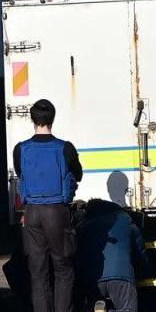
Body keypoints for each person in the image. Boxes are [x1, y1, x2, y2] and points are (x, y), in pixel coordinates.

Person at [14, 99, 83, 312]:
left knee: (38, 273)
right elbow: (78, 175)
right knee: (63, 270)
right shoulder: (65, 148)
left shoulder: (20, 149)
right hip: (57, 213)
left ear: (32, 119)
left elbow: (20, 174)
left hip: (32, 213)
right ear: (53, 118)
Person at [76, 199, 147, 312]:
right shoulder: (125, 220)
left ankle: (99, 304)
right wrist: (143, 270)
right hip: (121, 276)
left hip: (92, 279)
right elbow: (139, 250)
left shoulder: (83, 226)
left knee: (91, 304)